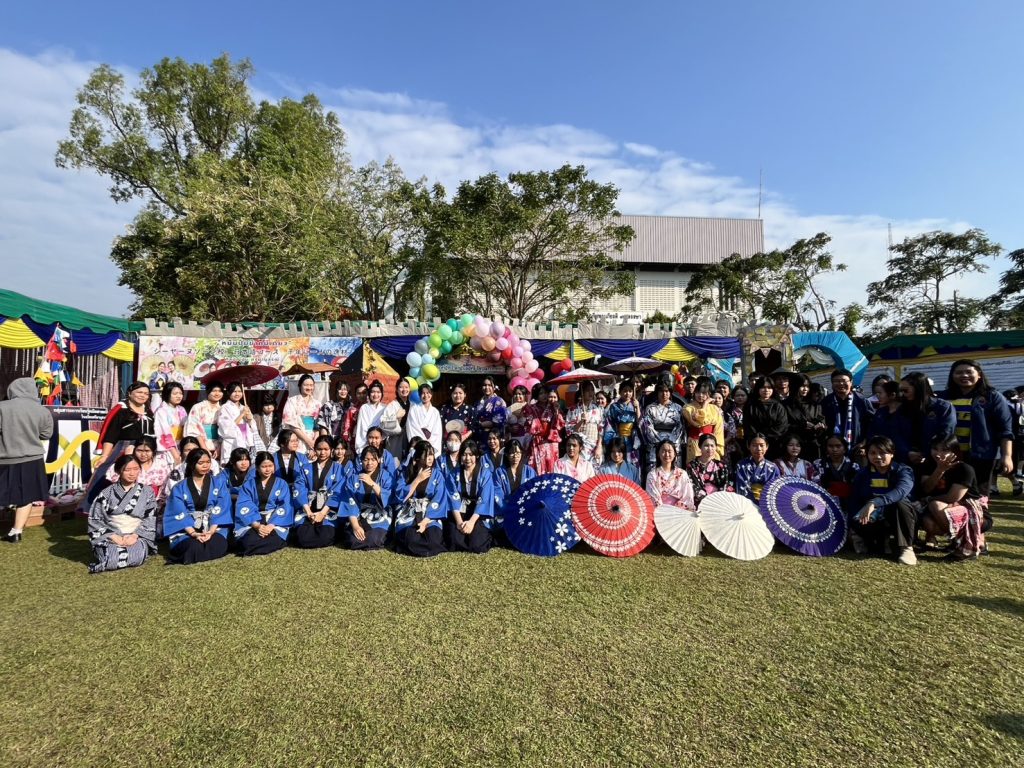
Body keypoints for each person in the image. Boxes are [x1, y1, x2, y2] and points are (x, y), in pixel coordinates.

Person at [936, 359, 1014, 501]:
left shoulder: (992, 396)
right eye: (959, 372)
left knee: (977, 497)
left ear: (979, 375)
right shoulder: (943, 397)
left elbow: (1005, 430)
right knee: (950, 495)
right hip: (950, 455)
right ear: (952, 376)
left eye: (969, 372)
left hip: (981, 456)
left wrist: (1007, 456)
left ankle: (979, 516)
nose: (964, 375)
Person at [848, 435, 917, 565]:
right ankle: (877, 540)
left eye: (882, 453)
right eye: (873, 453)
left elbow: (900, 492)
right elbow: (854, 500)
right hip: (875, 517)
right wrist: (854, 525)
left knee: (900, 503)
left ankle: (907, 548)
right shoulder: (862, 475)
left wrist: (874, 502)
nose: (878, 457)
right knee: (862, 520)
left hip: (901, 516)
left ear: (892, 453)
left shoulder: (904, 471)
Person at [1, 377, 55, 542]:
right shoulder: (42, 411)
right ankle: (16, 532)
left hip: (5, 458)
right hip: (32, 459)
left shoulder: (2, 407)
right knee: (27, 496)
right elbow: (46, 434)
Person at [86, 380, 154, 505]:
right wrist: (104, 456)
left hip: (145, 451)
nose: (143, 395)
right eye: (139, 392)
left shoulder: (149, 411)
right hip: (123, 449)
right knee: (111, 475)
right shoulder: (121, 410)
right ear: (130, 393)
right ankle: (104, 506)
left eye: (146, 393)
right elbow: (110, 435)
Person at [87, 454, 158, 573]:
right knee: (111, 558)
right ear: (118, 470)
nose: (132, 473)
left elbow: (150, 517)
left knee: (138, 556)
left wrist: (135, 536)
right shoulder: (106, 493)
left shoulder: (147, 491)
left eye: (136, 469)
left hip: (136, 535)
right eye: (127, 470)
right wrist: (115, 537)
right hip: (111, 535)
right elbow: (96, 520)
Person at [917, 436, 986, 559]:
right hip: (944, 509)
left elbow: (953, 497)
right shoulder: (928, 465)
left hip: (971, 511)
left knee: (935, 505)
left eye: (944, 450)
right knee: (928, 522)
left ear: (955, 452)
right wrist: (939, 470)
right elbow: (926, 489)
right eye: (935, 449)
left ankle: (971, 542)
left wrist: (928, 500)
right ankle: (959, 540)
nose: (938, 454)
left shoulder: (964, 469)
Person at [164, 448, 233, 565]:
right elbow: (178, 512)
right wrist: (194, 533)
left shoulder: (219, 483)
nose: (205, 466)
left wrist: (210, 532)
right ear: (191, 464)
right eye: (201, 463)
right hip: (187, 529)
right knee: (193, 546)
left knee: (217, 542)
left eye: (208, 462)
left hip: (213, 527)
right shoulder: (179, 488)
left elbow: (221, 507)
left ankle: (200, 551)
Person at [290, 436, 346, 548]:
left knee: (325, 535)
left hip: (328, 509)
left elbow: (338, 492)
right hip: (308, 508)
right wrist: (308, 511)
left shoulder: (338, 468)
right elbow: (299, 489)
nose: (322, 452)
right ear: (315, 449)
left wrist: (322, 513)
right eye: (319, 449)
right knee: (303, 538)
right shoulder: (305, 468)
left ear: (331, 450)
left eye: (326, 449)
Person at [394, 441, 448, 557]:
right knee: (410, 538)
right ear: (417, 457)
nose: (430, 458)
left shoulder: (437, 475)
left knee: (433, 539)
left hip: (429, 514)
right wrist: (417, 479)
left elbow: (439, 499)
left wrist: (425, 521)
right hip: (410, 511)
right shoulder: (406, 473)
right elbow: (401, 497)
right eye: (426, 455)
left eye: (431, 454)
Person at [234, 450, 294, 556]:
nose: (267, 469)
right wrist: (257, 526)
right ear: (257, 468)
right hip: (254, 520)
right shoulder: (248, 485)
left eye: (270, 466)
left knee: (274, 537)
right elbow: (244, 505)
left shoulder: (281, 483)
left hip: (273, 521)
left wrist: (270, 525)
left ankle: (254, 548)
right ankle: (256, 546)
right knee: (249, 540)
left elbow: (284, 505)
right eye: (264, 466)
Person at [339, 446, 393, 550]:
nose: (369, 463)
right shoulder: (354, 478)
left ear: (379, 460)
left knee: (375, 538)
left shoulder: (386, 476)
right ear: (361, 460)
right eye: (366, 459)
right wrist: (355, 526)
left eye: (373, 459)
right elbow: (349, 502)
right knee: (352, 540)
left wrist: (372, 483)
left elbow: (388, 497)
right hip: (359, 515)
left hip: (379, 514)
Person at [446, 439, 496, 554]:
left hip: (477, 514)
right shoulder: (453, 473)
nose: (467, 458)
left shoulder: (485, 473)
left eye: (471, 455)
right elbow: (452, 498)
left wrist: (471, 522)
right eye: (464, 454)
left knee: (477, 545)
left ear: (477, 456)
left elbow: (484, 499)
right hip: (460, 511)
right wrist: (459, 522)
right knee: (454, 541)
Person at [106, 436, 173, 507]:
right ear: (134, 450)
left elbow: (166, 487)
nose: (143, 454)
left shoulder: (161, 464)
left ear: (153, 451)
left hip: (155, 503)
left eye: (147, 451)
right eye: (139, 450)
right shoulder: (126, 462)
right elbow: (114, 478)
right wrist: (127, 458)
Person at [823, 369, 874, 461]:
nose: (840, 383)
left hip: (857, 449)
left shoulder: (861, 401)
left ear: (851, 382)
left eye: (844, 381)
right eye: (836, 381)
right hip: (832, 451)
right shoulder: (826, 402)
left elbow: (872, 423)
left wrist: (865, 442)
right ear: (832, 383)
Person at [641, 383, 684, 474]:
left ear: (670, 392)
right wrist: (660, 441)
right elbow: (647, 426)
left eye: (667, 391)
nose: (664, 394)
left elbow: (680, 426)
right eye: (661, 391)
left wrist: (670, 441)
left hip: (674, 442)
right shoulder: (650, 408)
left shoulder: (678, 408)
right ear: (657, 393)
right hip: (655, 443)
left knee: (674, 471)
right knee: (654, 471)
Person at [866, 380, 911, 463]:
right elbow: (872, 432)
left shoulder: (907, 413)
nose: (878, 396)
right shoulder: (880, 412)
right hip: (882, 456)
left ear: (892, 395)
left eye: (881, 393)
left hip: (904, 457)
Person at [743, 377, 788, 460]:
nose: (766, 390)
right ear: (758, 389)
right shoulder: (750, 406)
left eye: (769, 387)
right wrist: (758, 438)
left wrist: (765, 436)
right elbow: (748, 425)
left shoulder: (778, 406)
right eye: (763, 387)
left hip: (774, 444)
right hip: (755, 445)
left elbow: (781, 426)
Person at [784, 373, 826, 462]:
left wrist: (820, 426)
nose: (805, 389)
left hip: (813, 447)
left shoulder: (815, 404)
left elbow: (821, 419)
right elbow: (784, 426)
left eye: (807, 386)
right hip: (794, 448)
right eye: (802, 386)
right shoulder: (785, 405)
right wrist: (801, 426)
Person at [524, 386, 565, 474]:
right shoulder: (531, 408)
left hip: (552, 440)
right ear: (536, 395)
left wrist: (556, 412)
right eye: (541, 393)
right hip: (538, 440)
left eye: (545, 393)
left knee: (552, 465)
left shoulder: (554, 407)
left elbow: (560, 425)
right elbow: (529, 425)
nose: (544, 396)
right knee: (538, 466)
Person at [681, 380, 724, 464]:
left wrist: (717, 446)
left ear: (709, 394)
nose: (700, 395)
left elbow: (719, 428)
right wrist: (704, 405)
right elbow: (699, 423)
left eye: (704, 393)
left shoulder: (714, 408)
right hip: (695, 442)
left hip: (711, 443)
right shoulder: (688, 408)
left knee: (712, 466)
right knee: (695, 466)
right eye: (698, 392)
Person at [645, 440, 695, 509]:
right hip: (659, 511)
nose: (667, 454)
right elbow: (653, 498)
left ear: (674, 454)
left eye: (669, 451)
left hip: (679, 511)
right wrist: (664, 511)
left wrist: (674, 511)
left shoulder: (682, 474)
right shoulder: (652, 475)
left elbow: (688, 496)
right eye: (663, 451)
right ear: (658, 454)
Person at [273, 429, 313, 515]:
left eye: (296, 440)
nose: (296, 443)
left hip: (298, 493)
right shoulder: (272, 458)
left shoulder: (302, 457)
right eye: (292, 441)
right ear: (282, 444)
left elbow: (306, 478)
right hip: (278, 494)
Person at [565, 382, 605, 466]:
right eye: (587, 390)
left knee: (595, 469)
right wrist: (580, 421)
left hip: (595, 444)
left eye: (592, 390)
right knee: (581, 468)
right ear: (582, 392)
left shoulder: (598, 408)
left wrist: (599, 446)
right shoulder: (573, 409)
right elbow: (569, 430)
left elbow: (601, 429)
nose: (590, 393)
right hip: (580, 445)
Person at [734, 434, 781, 503]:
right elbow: (741, 487)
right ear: (748, 446)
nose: (758, 449)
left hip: (766, 503)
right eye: (754, 445)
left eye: (762, 445)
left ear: (767, 447)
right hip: (746, 503)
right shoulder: (741, 465)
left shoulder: (773, 467)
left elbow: (774, 490)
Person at [814, 435, 857, 509]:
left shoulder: (854, 466)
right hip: (823, 504)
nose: (834, 449)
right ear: (826, 448)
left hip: (849, 505)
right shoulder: (818, 464)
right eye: (830, 446)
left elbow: (857, 489)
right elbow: (814, 486)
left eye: (838, 446)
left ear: (844, 449)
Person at [216, 382, 255, 464]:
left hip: (244, 440)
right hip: (231, 442)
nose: (237, 394)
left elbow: (252, 428)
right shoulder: (224, 408)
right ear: (228, 392)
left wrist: (250, 419)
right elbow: (226, 429)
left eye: (239, 391)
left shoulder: (244, 407)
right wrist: (242, 414)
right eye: (234, 391)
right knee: (231, 465)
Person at [687, 434, 731, 506]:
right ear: (700, 446)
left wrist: (716, 500)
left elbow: (726, 484)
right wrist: (706, 500)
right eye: (706, 445)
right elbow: (693, 485)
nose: (710, 448)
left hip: (718, 502)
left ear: (716, 447)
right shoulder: (692, 466)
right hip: (699, 503)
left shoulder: (721, 466)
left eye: (712, 446)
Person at [282, 374, 321, 454]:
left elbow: (317, 426)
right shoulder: (292, 401)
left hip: (313, 439)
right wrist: (308, 441)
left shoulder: (317, 403)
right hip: (297, 437)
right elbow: (291, 424)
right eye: (306, 385)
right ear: (300, 385)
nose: (309, 388)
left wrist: (314, 443)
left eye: (311, 385)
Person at [184, 381, 224, 459]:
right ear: (208, 391)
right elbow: (193, 428)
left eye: (220, 391)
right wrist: (204, 448)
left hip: (219, 446)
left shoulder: (223, 409)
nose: (217, 394)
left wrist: (220, 447)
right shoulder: (198, 407)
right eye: (214, 391)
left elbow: (224, 430)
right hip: (200, 444)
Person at [495, 441, 538, 513]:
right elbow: (497, 492)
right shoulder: (499, 472)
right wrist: (507, 509)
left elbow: (535, 490)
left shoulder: (529, 471)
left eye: (518, 453)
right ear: (506, 454)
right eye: (512, 453)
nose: (515, 456)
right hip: (506, 510)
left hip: (526, 509)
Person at [605, 380, 641, 464]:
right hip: (619, 436)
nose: (627, 393)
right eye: (625, 391)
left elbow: (640, 422)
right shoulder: (614, 406)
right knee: (619, 459)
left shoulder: (635, 404)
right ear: (620, 392)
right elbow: (610, 423)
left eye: (630, 391)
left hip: (633, 438)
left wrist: (638, 407)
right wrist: (612, 439)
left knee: (632, 461)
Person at [153, 381, 187, 465]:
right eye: (175, 394)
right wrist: (174, 452)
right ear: (167, 394)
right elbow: (164, 432)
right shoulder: (161, 411)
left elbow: (186, 427)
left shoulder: (181, 409)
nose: (178, 396)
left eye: (180, 393)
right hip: (168, 448)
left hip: (181, 445)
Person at [406, 382, 443, 455]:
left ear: (431, 394)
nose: (425, 395)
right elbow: (412, 427)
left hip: (432, 444)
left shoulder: (435, 412)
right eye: (423, 393)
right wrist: (422, 442)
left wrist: (430, 443)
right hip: (418, 444)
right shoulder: (413, 409)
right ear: (419, 395)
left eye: (428, 393)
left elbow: (437, 431)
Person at [380, 377, 412, 460]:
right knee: (394, 463)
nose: (404, 390)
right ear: (397, 389)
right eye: (401, 387)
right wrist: (395, 416)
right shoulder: (392, 405)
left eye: (406, 387)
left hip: (409, 439)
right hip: (395, 440)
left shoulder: (413, 405)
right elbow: (383, 424)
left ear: (409, 389)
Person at [471, 376, 507, 445]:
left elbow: (500, 420)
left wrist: (482, 424)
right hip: (480, 437)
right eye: (484, 385)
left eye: (489, 385)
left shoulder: (499, 401)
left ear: (494, 387)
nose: (487, 387)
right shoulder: (477, 403)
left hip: (494, 437)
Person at [354, 380, 386, 454]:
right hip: (367, 441)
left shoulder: (385, 408)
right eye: (373, 392)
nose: (375, 395)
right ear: (369, 393)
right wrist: (367, 443)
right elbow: (362, 428)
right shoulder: (364, 408)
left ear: (382, 394)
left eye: (378, 392)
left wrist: (380, 439)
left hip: (381, 442)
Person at [722, 385, 747, 465]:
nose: (740, 398)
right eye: (737, 395)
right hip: (732, 443)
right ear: (733, 397)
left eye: (742, 395)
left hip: (747, 441)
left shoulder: (751, 409)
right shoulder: (728, 410)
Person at [340, 383, 367, 451]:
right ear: (355, 395)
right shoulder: (352, 410)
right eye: (359, 393)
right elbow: (347, 427)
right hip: (356, 441)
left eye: (364, 393)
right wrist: (347, 443)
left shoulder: (372, 408)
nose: (362, 395)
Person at [505, 384, 532, 449]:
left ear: (525, 395)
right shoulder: (508, 409)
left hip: (527, 438)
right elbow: (503, 424)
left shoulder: (530, 408)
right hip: (513, 439)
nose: (517, 396)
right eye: (515, 394)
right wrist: (509, 428)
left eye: (520, 394)